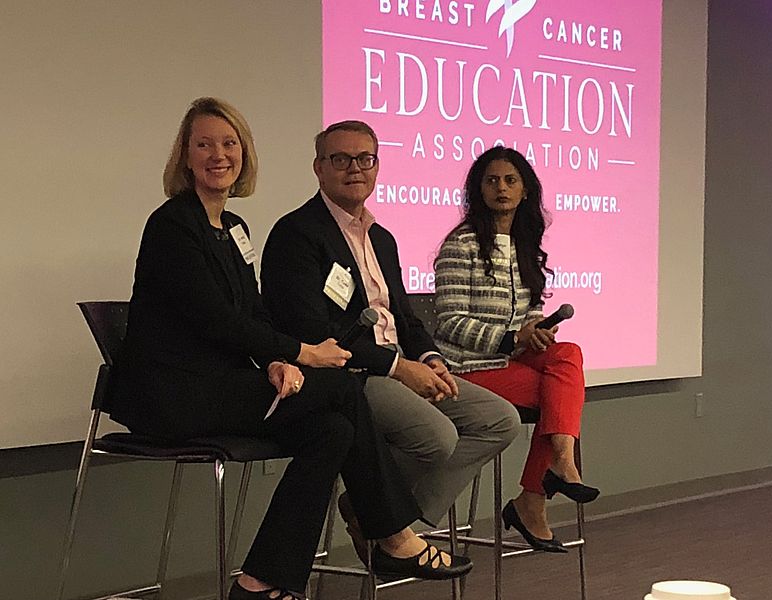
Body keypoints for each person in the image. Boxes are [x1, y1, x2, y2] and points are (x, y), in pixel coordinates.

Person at [109, 99, 471, 600]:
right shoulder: (173, 225)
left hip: (222, 385)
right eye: (204, 145)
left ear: (244, 153)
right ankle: (392, 535)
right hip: (174, 395)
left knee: (333, 430)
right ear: (185, 157)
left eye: (229, 143)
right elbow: (216, 322)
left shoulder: (234, 228)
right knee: (342, 390)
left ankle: (261, 580)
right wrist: (301, 351)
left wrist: (277, 360)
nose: (218, 155)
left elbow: (252, 314)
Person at [260, 120, 521, 552]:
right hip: (349, 374)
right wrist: (399, 368)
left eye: (365, 159)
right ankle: (387, 523)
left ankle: (375, 512)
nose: (355, 168)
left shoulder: (381, 239)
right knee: (437, 437)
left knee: (499, 421)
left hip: (399, 365)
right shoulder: (297, 234)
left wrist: (431, 359)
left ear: (377, 167)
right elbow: (311, 331)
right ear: (319, 168)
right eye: (341, 159)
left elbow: (405, 318)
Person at [433, 146, 599, 554]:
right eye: (492, 181)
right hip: (467, 367)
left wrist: (537, 330)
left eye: (510, 180)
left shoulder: (525, 243)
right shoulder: (461, 244)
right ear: (479, 190)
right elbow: (449, 322)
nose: (501, 188)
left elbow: (532, 310)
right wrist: (511, 339)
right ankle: (537, 494)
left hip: (513, 357)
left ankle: (554, 471)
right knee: (557, 398)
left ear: (525, 190)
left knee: (569, 354)